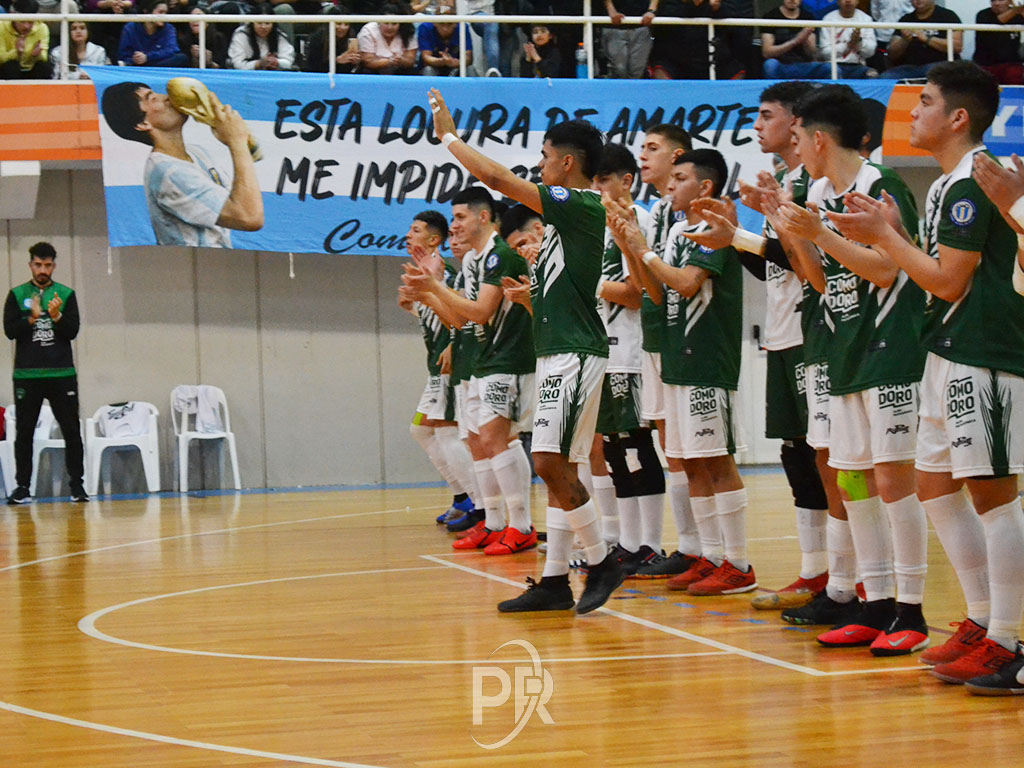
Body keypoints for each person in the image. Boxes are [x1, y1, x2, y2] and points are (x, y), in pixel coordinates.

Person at [828, 61, 1024, 690]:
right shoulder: (945, 185)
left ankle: (1007, 639)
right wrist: (891, 234)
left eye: (927, 102)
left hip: (985, 351)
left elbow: (947, 282)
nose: (913, 112)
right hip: (944, 350)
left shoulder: (974, 181)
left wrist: (885, 238)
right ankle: (981, 619)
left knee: (994, 496)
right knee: (935, 486)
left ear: (958, 117)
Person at [430, 88, 625, 614]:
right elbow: (570, 295)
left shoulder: (582, 205)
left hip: (575, 354)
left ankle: (602, 560)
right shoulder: (563, 224)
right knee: (562, 469)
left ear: (567, 163)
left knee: (547, 459)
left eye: (544, 156)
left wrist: (449, 137)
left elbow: (496, 180)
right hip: (560, 350)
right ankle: (556, 580)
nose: (539, 166)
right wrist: (532, 299)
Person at [774, 85, 929, 657]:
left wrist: (819, 233)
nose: (795, 149)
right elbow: (819, 280)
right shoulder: (818, 192)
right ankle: (877, 602)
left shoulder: (880, 184)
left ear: (819, 139)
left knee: (892, 480)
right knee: (852, 479)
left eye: (798, 137)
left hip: (889, 349)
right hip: (844, 350)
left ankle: (912, 609)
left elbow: (886, 270)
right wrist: (793, 231)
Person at [683, 81, 834, 612]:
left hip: (814, 333)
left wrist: (740, 237)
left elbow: (808, 263)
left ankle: (852, 579)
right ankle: (816, 572)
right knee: (797, 456)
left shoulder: (813, 185)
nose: (756, 125)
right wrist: (736, 237)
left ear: (796, 124)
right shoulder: (785, 183)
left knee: (828, 459)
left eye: (766, 115)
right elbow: (776, 266)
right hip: (783, 331)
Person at [607, 150, 753, 596]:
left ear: (705, 187)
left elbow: (688, 283)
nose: (669, 186)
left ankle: (739, 563)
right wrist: (630, 246)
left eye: (680, 178)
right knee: (689, 462)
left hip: (707, 359)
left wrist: (644, 250)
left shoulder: (714, 230)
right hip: (675, 358)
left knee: (717, 461)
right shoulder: (675, 232)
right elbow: (654, 292)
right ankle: (710, 555)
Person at [404, 189, 537, 555]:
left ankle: (521, 525)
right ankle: (492, 522)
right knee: (477, 441)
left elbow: (480, 312)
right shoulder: (476, 261)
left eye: (460, 217)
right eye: (454, 218)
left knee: (498, 439)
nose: (455, 226)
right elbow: (462, 321)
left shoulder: (501, 256)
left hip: (509, 358)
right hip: (482, 359)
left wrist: (435, 286)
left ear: (484, 217)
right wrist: (428, 295)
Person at [588, 144, 668, 575]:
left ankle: (650, 544)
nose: (597, 188)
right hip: (606, 350)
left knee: (637, 445)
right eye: (593, 181)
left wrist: (590, 284)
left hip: (633, 350)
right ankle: (629, 543)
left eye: (604, 180)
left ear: (626, 181)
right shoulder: (601, 228)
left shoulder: (641, 221)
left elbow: (637, 294)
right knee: (615, 449)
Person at [631, 123, 693, 579]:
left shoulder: (693, 213)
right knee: (672, 447)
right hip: (655, 336)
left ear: (677, 156)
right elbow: (648, 286)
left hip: (686, 342)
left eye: (653, 148)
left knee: (695, 451)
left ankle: (706, 549)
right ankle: (688, 547)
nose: (643, 156)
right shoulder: (656, 211)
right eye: (642, 148)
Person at [100, 81, 264, 247]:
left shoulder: (197, 152)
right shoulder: (169, 173)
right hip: (196, 261)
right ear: (143, 124)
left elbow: (240, 197)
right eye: (152, 98)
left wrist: (230, 133)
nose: (167, 97)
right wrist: (236, 141)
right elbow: (249, 217)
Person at [397, 211, 479, 526]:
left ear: (434, 240)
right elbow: (436, 315)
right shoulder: (424, 271)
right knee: (422, 430)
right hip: (436, 368)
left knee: (446, 431)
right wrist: (413, 308)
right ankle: (463, 498)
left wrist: (454, 343)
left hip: (450, 367)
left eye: (415, 230)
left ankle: (476, 504)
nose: (408, 235)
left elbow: (460, 316)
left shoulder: (446, 273)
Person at [4, 243, 87, 505]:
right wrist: (31, 318)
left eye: (48, 265)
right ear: (31, 265)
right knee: (25, 432)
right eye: (38, 265)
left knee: (71, 430)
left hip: (61, 373)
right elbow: (9, 331)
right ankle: (22, 487)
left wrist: (56, 316)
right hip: (27, 375)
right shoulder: (17, 294)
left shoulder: (66, 294)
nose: (43, 270)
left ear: (54, 266)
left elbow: (72, 331)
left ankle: (77, 486)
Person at [881, 0, 961, 80]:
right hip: (909, 68)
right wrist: (905, 40)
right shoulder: (906, 19)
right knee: (884, 78)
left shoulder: (948, 16)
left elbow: (957, 46)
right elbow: (892, 54)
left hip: (940, 65)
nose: (918, 1)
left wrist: (926, 38)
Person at [761, 0, 829, 80]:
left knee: (829, 68)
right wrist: (795, 41)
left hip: (805, 66)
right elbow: (767, 53)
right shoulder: (770, 17)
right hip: (780, 65)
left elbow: (812, 55)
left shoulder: (808, 17)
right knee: (769, 65)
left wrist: (806, 42)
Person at [117, 0, 188, 67]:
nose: (164, 16)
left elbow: (172, 50)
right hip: (137, 64)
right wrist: (135, 58)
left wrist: (147, 57)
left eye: (165, 13)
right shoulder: (130, 27)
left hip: (157, 63)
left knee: (181, 58)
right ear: (147, 11)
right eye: (160, 12)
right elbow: (123, 54)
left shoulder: (169, 28)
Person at [819, 0, 877, 79]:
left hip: (858, 66)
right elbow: (825, 53)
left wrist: (859, 42)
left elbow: (870, 52)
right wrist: (847, 45)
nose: (848, 1)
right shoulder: (828, 19)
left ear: (857, 1)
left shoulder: (866, 19)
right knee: (832, 70)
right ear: (838, 2)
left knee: (872, 74)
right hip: (834, 64)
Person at [228, 5, 296, 71]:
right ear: (252, 23)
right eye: (259, 23)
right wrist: (258, 64)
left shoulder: (279, 35)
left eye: (267, 23)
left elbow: (288, 61)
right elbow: (237, 64)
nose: (263, 27)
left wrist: (276, 62)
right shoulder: (241, 35)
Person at [358, 2, 417, 75]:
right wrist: (388, 62)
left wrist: (401, 60)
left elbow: (411, 61)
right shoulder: (368, 30)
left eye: (394, 24)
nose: (389, 28)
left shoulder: (408, 31)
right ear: (379, 22)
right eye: (386, 23)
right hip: (373, 72)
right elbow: (367, 61)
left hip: (399, 71)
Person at [973, 0, 1024, 85]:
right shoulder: (983, 14)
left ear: (1009, 2)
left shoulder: (1017, 14)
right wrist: (1015, 10)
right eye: (993, 0)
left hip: (1011, 64)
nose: (996, 3)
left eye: (1001, 0)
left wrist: (1021, 10)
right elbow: (998, 21)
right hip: (985, 64)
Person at [0, 0, 51, 80]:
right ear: (13, 16)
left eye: (30, 22)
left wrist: (36, 55)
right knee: (10, 66)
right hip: (9, 71)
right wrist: (16, 52)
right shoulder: (1, 27)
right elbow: (1, 58)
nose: (26, 26)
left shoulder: (42, 28)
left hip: (31, 69)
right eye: (22, 21)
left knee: (44, 67)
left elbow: (44, 56)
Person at [603, 0, 654, 79]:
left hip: (642, 24)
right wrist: (610, 9)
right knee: (618, 69)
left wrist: (651, 11)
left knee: (637, 71)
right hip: (612, 25)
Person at [418, 4, 472, 76]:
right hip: (433, 67)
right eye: (441, 23)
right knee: (428, 70)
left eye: (449, 24)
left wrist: (455, 63)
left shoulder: (462, 27)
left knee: (470, 69)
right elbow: (426, 57)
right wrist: (442, 61)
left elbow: (468, 58)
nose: (445, 29)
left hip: (456, 67)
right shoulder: (426, 27)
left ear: (455, 23)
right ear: (434, 23)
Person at [304, 5, 361, 73]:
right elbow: (313, 66)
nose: (343, 27)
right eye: (339, 23)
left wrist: (355, 63)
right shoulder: (317, 38)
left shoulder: (351, 37)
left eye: (346, 24)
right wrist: (337, 61)